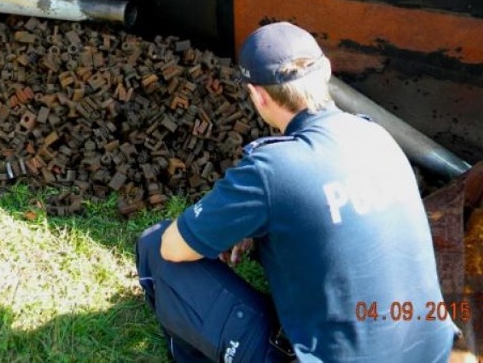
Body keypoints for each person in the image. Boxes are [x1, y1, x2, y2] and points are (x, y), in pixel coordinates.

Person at [135, 22, 459, 362]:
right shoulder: (377, 137)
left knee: (156, 246)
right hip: (431, 352)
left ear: (258, 95)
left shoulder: (271, 168)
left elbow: (175, 248)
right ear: (327, 71)